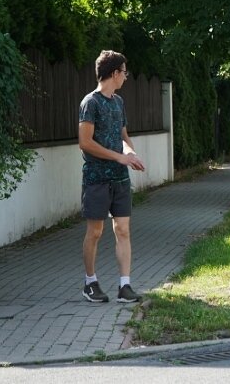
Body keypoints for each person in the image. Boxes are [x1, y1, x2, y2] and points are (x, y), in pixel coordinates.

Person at [79, 50, 145, 303]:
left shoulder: (118, 102)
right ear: (114, 73)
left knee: (123, 230)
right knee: (95, 232)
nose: (126, 77)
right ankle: (90, 282)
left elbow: (123, 137)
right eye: (124, 72)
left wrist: (131, 154)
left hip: (120, 178)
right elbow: (85, 143)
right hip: (96, 177)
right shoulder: (91, 102)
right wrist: (118, 157)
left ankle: (124, 286)